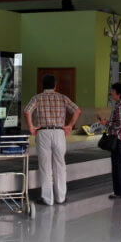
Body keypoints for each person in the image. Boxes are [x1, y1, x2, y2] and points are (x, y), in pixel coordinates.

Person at [24, 75, 81, 206]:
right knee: (60, 165)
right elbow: (77, 110)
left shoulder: (37, 98)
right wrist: (70, 126)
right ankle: (61, 197)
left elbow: (27, 111)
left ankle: (47, 199)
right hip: (59, 132)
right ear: (55, 85)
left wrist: (31, 127)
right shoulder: (62, 98)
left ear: (42, 85)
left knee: (45, 167)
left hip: (43, 132)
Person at [99, 82, 121, 200]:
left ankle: (120, 192)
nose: (111, 93)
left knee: (118, 166)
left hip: (119, 140)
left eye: (113, 91)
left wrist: (107, 123)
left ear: (118, 93)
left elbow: (120, 124)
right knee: (120, 166)